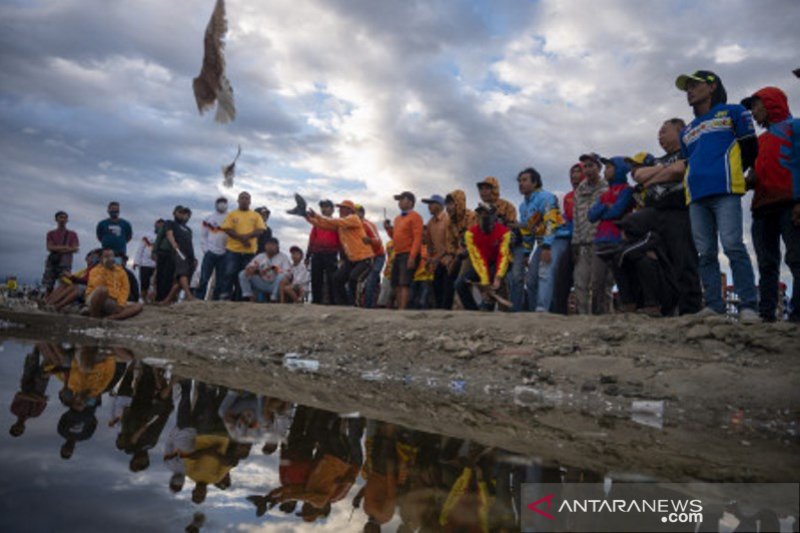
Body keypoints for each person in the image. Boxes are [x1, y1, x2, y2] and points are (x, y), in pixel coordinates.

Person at [675, 70, 759, 320]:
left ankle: (748, 306)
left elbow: (750, 147)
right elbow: (687, 163)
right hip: (696, 196)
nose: (689, 90)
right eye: (687, 87)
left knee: (733, 245)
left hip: (726, 189)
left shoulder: (733, 111)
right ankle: (714, 305)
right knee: (706, 253)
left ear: (712, 87)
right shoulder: (686, 130)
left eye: (694, 85)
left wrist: (737, 173)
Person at [628, 118, 703, 315]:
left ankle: (690, 310)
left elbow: (679, 170)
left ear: (680, 131)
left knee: (683, 259)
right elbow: (638, 175)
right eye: (659, 132)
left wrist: (656, 175)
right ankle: (664, 306)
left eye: (664, 131)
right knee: (633, 232)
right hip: (654, 213)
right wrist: (664, 170)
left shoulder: (688, 152)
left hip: (679, 211)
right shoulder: (657, 160)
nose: (659, 135)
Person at [741, 86, 800, 322]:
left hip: (791, 204)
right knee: (766, 264)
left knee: (797, 259)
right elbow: (756, 173)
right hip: (762, 207)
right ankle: (766, 315)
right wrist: (748, 181)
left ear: (771, 103)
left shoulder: (795, 127)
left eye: (756, 106)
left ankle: (797, 316)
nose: (753, 113)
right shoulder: (760, 141)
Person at [514, 167, 570, 312]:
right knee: (531, 279)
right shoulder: (523, 206)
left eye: (525, 180)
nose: (521, 183)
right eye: (519, 181)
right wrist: (527, 253)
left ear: (535, 182)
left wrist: (546, 247)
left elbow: (551, 222)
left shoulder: (546, 197)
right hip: (542, 242)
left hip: (558, 238)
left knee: (545, 272)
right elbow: (527, 231)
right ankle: (534, 311)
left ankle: (541, 310)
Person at [588, 156, 635, 314]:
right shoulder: (604, 194)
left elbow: (617, 211)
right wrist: (606, 208)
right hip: (600, 239)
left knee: (619, 279)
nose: (605, 170)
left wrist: (604, 210)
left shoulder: (627, 190)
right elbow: (591, 215)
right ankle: (597, 314)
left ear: (619, 169)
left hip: (618, 240)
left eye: (609, 167)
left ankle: (625, 311)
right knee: (596, 282)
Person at [307, 200, 374, 306]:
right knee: (337, 278)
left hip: (364, 258)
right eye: (340, 208)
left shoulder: (353, 218)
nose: (340, 210)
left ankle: (357, 306)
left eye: (343, 208)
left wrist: (316, 215)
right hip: (352, 260)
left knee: (353, 279)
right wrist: (308, 218)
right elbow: (324, 225)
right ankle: (344, 305)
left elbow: (334, 222)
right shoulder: (342, 224)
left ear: (350, 210)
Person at [455, 204, 511, 310]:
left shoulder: (504, 232)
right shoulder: (470, 234)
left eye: (486, 213)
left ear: (494, 216)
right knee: (459, 284)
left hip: (498, 263)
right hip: (481, 264)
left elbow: (503, 256)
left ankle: (492, 305)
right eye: (480, 213)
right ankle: (473, 311)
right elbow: (478, 259)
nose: (483, 216)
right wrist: (484, 282)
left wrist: (498, 277)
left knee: (494, 278)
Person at [572, 153, 608, 315]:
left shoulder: (607, 186)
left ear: (599, 167)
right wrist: (575, 243)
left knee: (602, 283)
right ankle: (583, 318)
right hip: (583, 242)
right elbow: (576, 218)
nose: (587, 169)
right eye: (584, 166)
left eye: (591, 165)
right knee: (580, 282)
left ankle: (604, 317)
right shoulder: (579, 190)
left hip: (602, 241)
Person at [551, 163, 585, 314]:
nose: (574, 175)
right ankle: (559, 313)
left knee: (584, 279)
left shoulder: (594, 193)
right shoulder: (568, 197)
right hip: (571, 240)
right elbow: (567, 219)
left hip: (588, 240)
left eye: (578, 172)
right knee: (562, 275)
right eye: (572, 172)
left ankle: (586, 313)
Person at [220, 192, 266, 300]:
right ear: (238, 200)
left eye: (247, 198)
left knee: (246, 275)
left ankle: (240, 298)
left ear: (250, 201)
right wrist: (242, 239)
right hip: (233, 250)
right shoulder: (232, 214)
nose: (244, 200)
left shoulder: (256, 215)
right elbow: (227, 229)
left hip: (249, 251)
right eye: (242, 198)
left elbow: (261, 230)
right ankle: (225, 296)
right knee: (229, 273)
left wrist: (247, 237)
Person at [385, 191, 424, 310]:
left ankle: (402, 309)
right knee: (395, 283)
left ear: (410, 202)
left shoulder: (416, 216)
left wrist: (412, 257)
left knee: (404, 283)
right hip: (398, 254)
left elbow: (418, 238)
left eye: (402, 199)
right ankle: (399, 307)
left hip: (408, 254)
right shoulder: (397, 219)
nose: (400, 202)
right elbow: (395, 237)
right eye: (399, 200)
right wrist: (388, 229)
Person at [443, 190, 478, 309]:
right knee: (445, 269)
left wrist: (458, 254)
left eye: (451, 204)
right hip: (459, 254)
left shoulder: (472, 216)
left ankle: (465, 308)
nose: (448, 207)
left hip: (474, 253)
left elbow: (473, 240)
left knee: (461, 272)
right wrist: (450, 257)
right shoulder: (449, 222)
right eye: (447, 204)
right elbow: (450, 243)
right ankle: (446, 308)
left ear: (459, 203)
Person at [85, 248, 143, 320]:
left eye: (112, 256)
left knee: (138, 306)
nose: (110, 259)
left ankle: (111, 318)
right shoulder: (95, 270)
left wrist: (121, 304)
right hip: (97, 298)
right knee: (102, 290)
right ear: (101, 259)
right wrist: (105, 269)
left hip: (114, 301)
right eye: (107, 257)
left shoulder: (121, 271)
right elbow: (97, 285)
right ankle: (94, 316)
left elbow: (125, 288)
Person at [307, 199, 340, 305]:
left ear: (332, 209)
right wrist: (308, 255)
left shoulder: (336, 223)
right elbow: (312, 239)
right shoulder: (317, 223)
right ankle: (316, 301)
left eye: (326, 207)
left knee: (332, 279)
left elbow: (342, 240)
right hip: (317, 253)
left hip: (331, 253)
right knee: (316, 278)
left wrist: (343, 257)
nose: (324, 209)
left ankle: (333, 301)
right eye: (322, 207)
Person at [195, 197, 229, 300]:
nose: (222, 204)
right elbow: (203, 236)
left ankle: (215, 300)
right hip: (210, 253)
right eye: (220, 202)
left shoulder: (230, 218)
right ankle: (199, 298)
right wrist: (205, 250)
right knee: (204, 278)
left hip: (224, 254)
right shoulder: (208, 218)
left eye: (224, 203)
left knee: (220, 279)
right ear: (216, 204)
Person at [239, 237, 292, 303]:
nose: (270, 247)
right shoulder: (260, 256)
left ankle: (273, 298)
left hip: (275, 285)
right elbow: (250, 266)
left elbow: (288, 273)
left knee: (281, 276)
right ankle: (248, 297)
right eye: (268, 245)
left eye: (273, 245)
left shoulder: (283, 257)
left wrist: (275, 269)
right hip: (262, 282)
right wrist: (253, 270)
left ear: (277, 247)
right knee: (243, 273)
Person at [420, 195, 450, 309]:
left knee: (447, 287)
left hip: (449, 259)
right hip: (437, 261)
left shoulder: (448, 220)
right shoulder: (430, 223)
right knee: (437, 286)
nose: (429, 206)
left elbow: (450, 244)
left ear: (439, 205)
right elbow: (429, 245)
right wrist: (429, 258)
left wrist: (436, 258)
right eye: (428, 204)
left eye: (431, 203)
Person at [162, 207, 197, 304]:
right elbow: (169, 233)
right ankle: (189, 295)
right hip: (179, 251)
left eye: (185, 213)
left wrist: (193, 258)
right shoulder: (171, 223)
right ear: (175, 213)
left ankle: (167, 300)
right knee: (182, 273)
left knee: (180, 280)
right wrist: (173, 244)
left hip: (189, 254)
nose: (183, 215)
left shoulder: (188, 229)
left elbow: (190, 243)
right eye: (181, 212)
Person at [43, 211, 80, 295]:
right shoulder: (50, 233)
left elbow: (75, 248)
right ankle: (46, 302)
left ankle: (57, 303)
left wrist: (57, 249)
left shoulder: (72, 234)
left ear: (67, 220)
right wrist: (65, 247)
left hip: (65, 263)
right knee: (48, 285)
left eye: (64, 217)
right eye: (61, 217)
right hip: (52, 262)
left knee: (64, 284)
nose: (63, 219)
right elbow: (49, 247)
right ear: (56, 219)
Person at [357, 205, 386, 308]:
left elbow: (378, 241)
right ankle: (368, 303)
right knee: (370, 280)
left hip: (378, 255)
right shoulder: (354, 226)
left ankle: (368, 306)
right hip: (366, 257)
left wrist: (370, 240)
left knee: (371, 279)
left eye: (356, 212)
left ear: (361, 213)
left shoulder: (367, 224)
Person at [152, 206, 181, 302]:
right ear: (174, 213)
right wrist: (154, 251)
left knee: (169, 276)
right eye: (179, 212)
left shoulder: (183, 228)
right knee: (160, 275)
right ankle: (159, 298)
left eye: (182, 212)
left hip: (174, 254)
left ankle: (166, 298)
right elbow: (159, 237)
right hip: (163, 251)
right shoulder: (168, 223)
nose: (180, 214)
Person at [133, 219, 163, 302]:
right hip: (145, 264)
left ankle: (154, 300)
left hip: (158, 265)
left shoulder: (164, 237)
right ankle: (144, 300)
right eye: (158, 225)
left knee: (156, 283)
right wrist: (136, 262)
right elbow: (140, 249)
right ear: (155, 225)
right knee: (144, 283)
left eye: (162, 225)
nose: (160, 227)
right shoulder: (147, 236)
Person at [409, 226, 434, 309]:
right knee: (412, 299)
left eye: (425, 235)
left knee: (423, 300)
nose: (423, 237)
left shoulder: (431, 247)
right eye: (422, 235)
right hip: (415, 277)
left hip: (426, 277)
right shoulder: (416, 247)